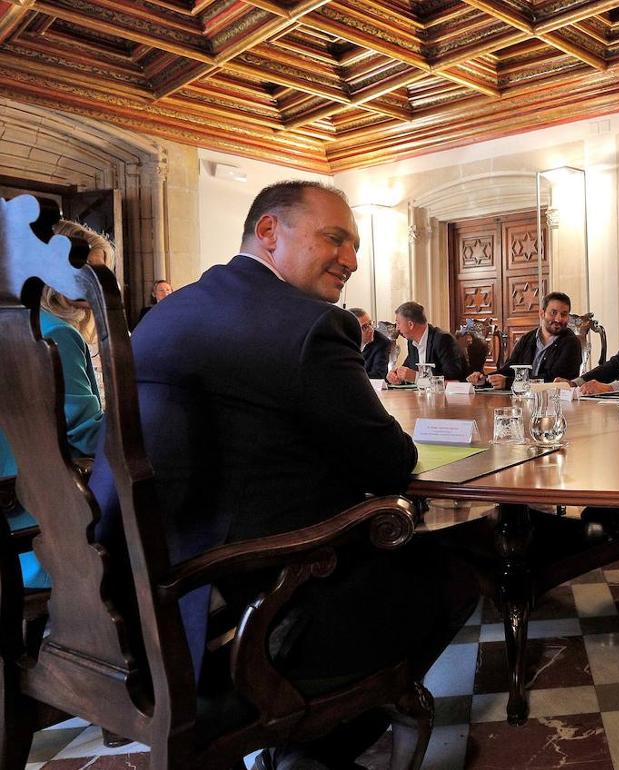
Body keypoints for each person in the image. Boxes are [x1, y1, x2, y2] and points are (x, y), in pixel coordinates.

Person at [89, 181, 478, 770]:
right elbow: (392, 463)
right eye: (334, 238)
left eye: (354, 247)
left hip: (128, 598)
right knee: (460, 565)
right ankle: (320, 740)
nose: (350, 260)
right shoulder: (309, 325)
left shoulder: (170, 312)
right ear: (269, 232)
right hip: (257, 610)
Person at [1, 220, 113, 589]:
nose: (95, 283)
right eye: (84, 272)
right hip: (38, 517)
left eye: (100, 272)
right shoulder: (57, 333)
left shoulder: (15, 323)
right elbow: (85, 434)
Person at [468, 291, 581, 388]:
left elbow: (552, 379)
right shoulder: (527, 339)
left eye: (564, 314)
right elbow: (509, 369)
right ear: (542, 313)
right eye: (553, 313)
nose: (558, 319)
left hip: (556, 403)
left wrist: (508, 383)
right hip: (523, 400)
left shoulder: (571, 343)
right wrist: (484, 379)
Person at [386, 301, 469, 383]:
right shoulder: (412, 343)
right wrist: (397, 376)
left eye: (398, 323)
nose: (397, 328)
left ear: (411, 324)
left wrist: (417, 377)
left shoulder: (443, 339)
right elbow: (408, 371)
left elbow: (453, 378)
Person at [348, 307, 392, 379]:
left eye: (370, 324)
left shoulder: (382, 342)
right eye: (364, 327)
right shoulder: (341, 343)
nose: (371, 329)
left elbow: (379, 375)